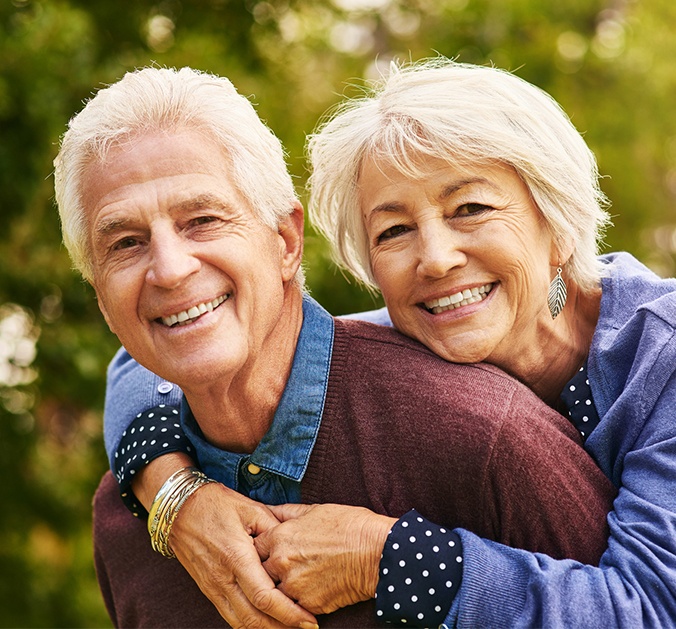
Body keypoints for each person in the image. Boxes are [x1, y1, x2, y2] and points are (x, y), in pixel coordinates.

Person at [101, 59, 676, 627]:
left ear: (558, 221)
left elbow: (652, 610)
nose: (436, 258)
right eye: (394, 230)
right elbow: (145, 358)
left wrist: (388, 557)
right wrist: (179, 496)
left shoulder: (663, 356)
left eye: (470, 209)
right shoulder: (407, 334)